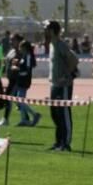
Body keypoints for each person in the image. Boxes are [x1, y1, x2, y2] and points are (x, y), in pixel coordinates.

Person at [45, 20, 78, 151]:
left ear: (52, 31)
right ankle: (58, 142)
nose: (45, 31)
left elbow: (74, 60)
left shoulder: (60, 45)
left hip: (64, 85)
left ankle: (66, 143)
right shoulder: (52, 45)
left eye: (46, 29)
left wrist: (66, 75)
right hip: (54, 84)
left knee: (64, 113)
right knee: (55, 113)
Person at [12, 39, 41, 127]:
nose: (19, 49)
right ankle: (23, 119)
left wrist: (17, 69)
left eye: (21, 47)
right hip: (21, 80)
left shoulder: (28, 56)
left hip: (25, 81)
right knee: (19, 99)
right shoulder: (24, 56)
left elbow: (27, 70)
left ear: (25, 48)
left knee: (20, 100)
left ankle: (34, 114)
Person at [1, 32, 23, 126]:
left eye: (13, 40)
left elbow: (19, 65)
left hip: (16, 79)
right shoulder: (11, 51)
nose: (11, 42)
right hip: (10, 79)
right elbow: (7, 63)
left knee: (8, 98)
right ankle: (33, 115)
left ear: (18, 41)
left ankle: (6, 119)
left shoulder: (20, 52)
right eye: (10, 40)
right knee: (16, 100)